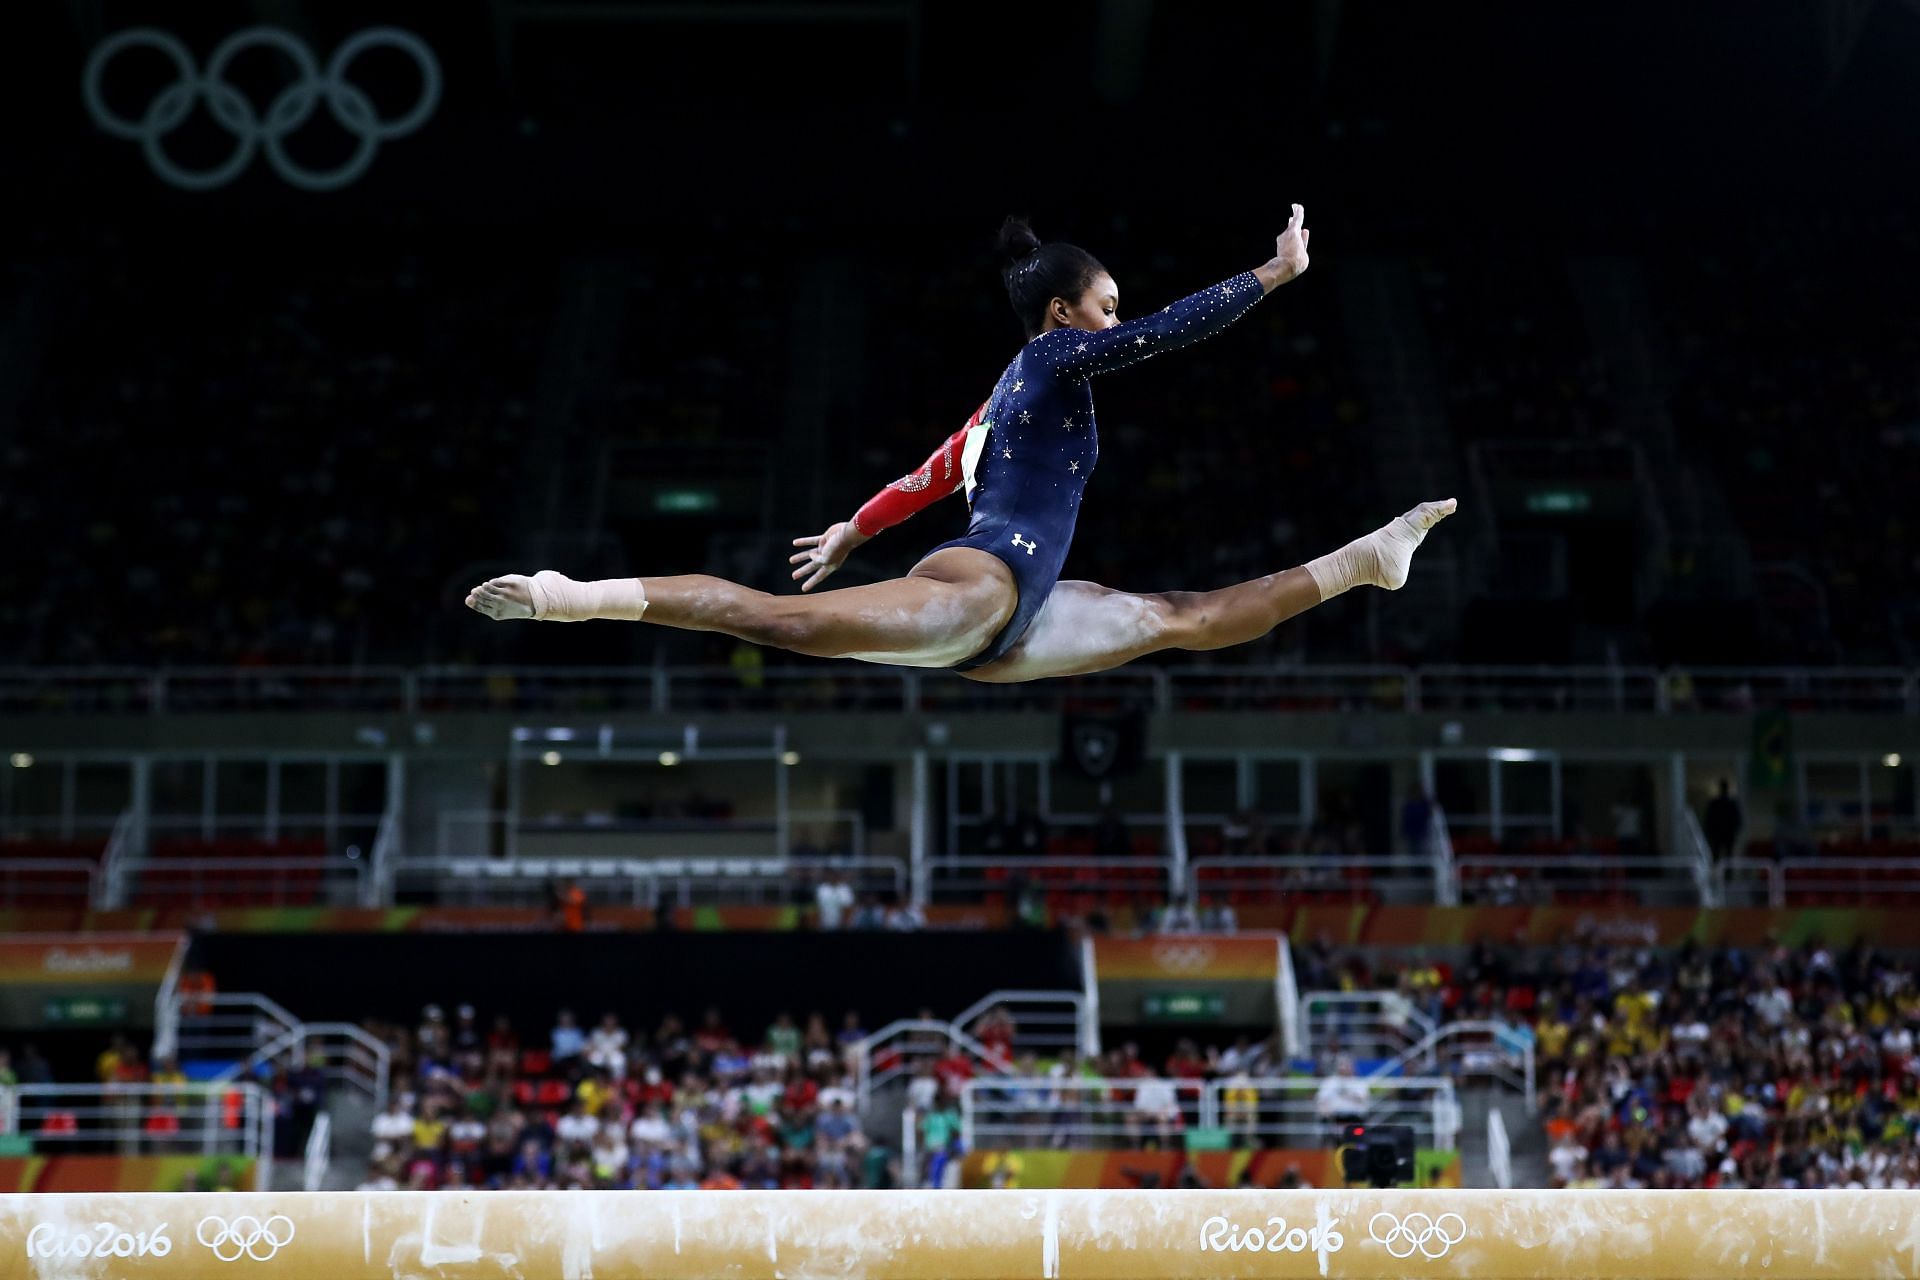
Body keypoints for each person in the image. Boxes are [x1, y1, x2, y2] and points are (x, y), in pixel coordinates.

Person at [466, 208, 1455, 682]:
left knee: (1188, 618)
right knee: (781, 624)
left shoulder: (1013, 391)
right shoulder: (1055, 366)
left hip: (1016, 617)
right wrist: (1273, 275)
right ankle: (568, 596)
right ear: (1064, 314)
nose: (1120, 324)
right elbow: (1168, 334)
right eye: (1106, 308)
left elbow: (932, 471)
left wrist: (856, 526)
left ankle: (1367, 559)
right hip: (983, 593)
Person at [1703, 779, 1742, 862]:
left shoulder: (1724, 804)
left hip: (1724, 834)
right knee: (1723, 856)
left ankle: (1724, 873)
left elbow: (1737, 819)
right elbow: (1709, 819)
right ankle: (1724, 873)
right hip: (1722, 834)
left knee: (1724, 856)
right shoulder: (1717, 804)